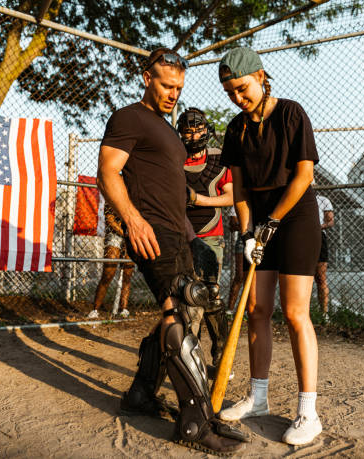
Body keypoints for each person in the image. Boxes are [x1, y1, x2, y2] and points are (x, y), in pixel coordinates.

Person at [96, 47, 247, 455]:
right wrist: (132, 219)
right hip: (150, 230)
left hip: (177, 235)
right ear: (147, 77)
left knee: (174, 310)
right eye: (166, 85)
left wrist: (189, 237)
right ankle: (197, 422)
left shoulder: (165, 128)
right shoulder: (130, 117)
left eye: (178, 87)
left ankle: (141, 395)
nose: (173, 93)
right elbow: (107, 171)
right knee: (177, 308)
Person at [216, 47, 323, 446]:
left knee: (295, 313)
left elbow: (303, 176)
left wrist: (272, 223)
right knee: (257, 310)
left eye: (242, 89)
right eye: (230, 93)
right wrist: (247, 234)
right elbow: (239, 189)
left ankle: (308, 412)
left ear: (260, 76)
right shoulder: (235, 128)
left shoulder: (291, 113)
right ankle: (257, 398)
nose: (238, 98)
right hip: (259, 219)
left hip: (293, 216)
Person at [178, 107, 232, 378]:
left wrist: (199, 200)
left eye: (198, 129)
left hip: (211, 234)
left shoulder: (219, 159)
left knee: (211, 294)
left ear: (207, 130)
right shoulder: (174, 159)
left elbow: (230, 197)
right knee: (189, 300)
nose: (194, 134)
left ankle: (221, 355)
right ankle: (192, 360)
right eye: (188, 130)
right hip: (182, 235)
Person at [88, 203, 134, 319]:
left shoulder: (135, 193)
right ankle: (95, 309)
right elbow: (110, 219)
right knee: (108, 272)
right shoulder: (114, 191)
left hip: (131, 234)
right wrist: (125, 234)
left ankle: (123, 309)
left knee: (128, 273)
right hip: (116, 233)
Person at [315, 193, 334, 320]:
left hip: (319, 236)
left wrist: (318, 226)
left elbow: (330, 221)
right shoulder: (295, 197)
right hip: (301, 238)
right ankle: (303, 313)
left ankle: (324, 313)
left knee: (321, 278)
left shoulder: (323, 200)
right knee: (302, 277)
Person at [226, 206, 245, 314]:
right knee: (240, 276)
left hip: (260, 240)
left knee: (257, 278)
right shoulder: (236, 203)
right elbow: (232, 224)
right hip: (243, 240)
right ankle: (230, 310)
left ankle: (247, 308)